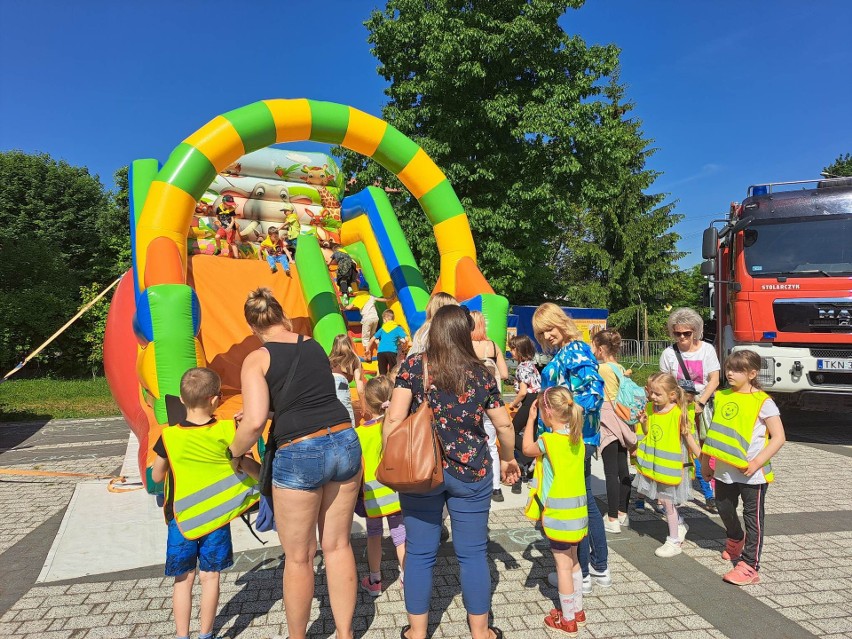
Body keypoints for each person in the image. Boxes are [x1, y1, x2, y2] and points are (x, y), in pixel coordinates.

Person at [229, 288, 361, 639]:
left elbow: (255, 422)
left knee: (300, 557)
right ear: (280, 313)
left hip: (301, 452)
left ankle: (297, 636)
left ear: (252, 325)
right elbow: (310, 401)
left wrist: (235, 451)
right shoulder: (313, 344)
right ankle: (346, 633)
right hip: (344, 440)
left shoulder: (256, 359)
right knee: (338, 545)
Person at [385, 305, 521, 639]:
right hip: (471, 470)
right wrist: (506, 458)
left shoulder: (416, 366)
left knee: (418, 552)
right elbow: (503, 424)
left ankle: (416, 633)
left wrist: (391, 454)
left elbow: (393, 418)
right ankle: (481, 633)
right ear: (464, 332)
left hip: (421, 470)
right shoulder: (480, 372)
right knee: (473, 554)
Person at [151, 367, 260, 639]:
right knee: (210, 577)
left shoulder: (169, 437)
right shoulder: (227, 429)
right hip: (216, 518)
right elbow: (249, 468)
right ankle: (206, 634)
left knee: (183, 579)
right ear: (215, 399)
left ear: (182, 399)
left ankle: (181, 635)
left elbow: (156, 475)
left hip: (182, 521)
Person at [533, 303, 609, 595]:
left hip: (573, 439)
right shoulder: (567, 351)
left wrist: (566, 418)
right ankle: (595, 568)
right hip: (571, 438)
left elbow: (593, 393)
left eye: (550, 328)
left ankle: (585, 572)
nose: (547, 336)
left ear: (561, 323)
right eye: (542, 333)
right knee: (584, 500)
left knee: (581, 503)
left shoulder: (575, 350)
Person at [700, 350, 786, 586]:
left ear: (752, 373)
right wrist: (706, 462)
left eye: (736, 370)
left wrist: (757, 463)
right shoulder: (722, 396)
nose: (729, 373)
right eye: (728, 368)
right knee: (723, 508)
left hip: (752, 474)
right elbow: (713, 433)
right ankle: (735, 537)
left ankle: (750, 565)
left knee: (753, 518)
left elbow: (779, 437)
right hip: (724, 470)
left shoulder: (763, 401)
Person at [522, 386, 588, 636]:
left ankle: (568, 620)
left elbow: (526, 448)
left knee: (562, 566)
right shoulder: (576, 438)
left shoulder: (548, 441)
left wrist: (529, 419)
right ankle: (578, 610)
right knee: (574, 562)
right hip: (577, 515)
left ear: (546, 413)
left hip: (558, 517)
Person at [659, 307, 721, 513]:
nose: (683, 337)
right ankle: (671, 491)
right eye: (678, 333)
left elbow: (714, 379)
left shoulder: (707, 350)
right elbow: (664, 382)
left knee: (705, 449)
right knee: (681, 449)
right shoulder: (669, 354)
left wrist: (701, 402)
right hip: (678, 407)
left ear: (695, 331)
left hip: (703, 405)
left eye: (687, 333)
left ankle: (710, 493)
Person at [634, 372, 702, 558]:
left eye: (657, 394)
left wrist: (701, 458)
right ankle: (679, 524)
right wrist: (644, 424)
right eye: (651, 393)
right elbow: (648, 432)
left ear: (672, 395)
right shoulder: (650, 408)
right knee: (664, 502)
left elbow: (688, 437)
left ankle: (673, 541)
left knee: (668, 503)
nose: (652, 397)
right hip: (654, 466)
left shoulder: (677, 413)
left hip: (670, 467)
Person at [355, 375, 406, 597]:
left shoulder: (359, 433)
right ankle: (407, 577)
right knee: (401, 535)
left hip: (372, 497)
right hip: (397, 492)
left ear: (366, 403)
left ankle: (375, 580)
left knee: (373, 535)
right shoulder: (399, 425)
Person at [593, 329, 634, 533]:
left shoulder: (602, 369)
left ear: (600, 349)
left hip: (608, 419)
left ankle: (612, 519)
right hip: (623, 418)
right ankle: (623, 512)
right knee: (622, 469)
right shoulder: (619, 367)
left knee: (610, 473)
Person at [507, 335, 541, 495]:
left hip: (528, 400)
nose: (511, 351)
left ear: (520, 350)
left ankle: (531, 456)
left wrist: (512, 404)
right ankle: (529, 469)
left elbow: (522, 392)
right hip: (537, 400)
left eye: (513, 348)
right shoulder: (532, 365)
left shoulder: (522, 367)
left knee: (511, 431)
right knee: (530, 432)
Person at [329, 333, 367, 425]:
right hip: (341, 384)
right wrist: (363, 405)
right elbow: (360, 386)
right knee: (346, 414)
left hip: (328, 385)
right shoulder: (354, 359)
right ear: (349, 345)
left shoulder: (329, 359)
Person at [367, 309, 409, 375]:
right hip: (391, 352)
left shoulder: (382, 328)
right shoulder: (397, 328)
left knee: (382, 373)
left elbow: (372, 339)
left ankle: (382, 384)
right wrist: (405, 346)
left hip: (381, 352)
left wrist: (367, 349)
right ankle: (392, 384)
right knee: (393, 372)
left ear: (385, 319)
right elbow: (406, 339)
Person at [214, 194, 240, 259]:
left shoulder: (231, 210)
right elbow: (217, 217)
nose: (229, 206)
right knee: (217, 237)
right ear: (223, 202)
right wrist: (218, 221)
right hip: (223, 227)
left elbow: (233, 220)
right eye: (228, 204)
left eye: (230, 204)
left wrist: (230, 227)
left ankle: (236, 257)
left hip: (230, 228)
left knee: (231, 243)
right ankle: (219, 250)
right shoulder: (219, 208)